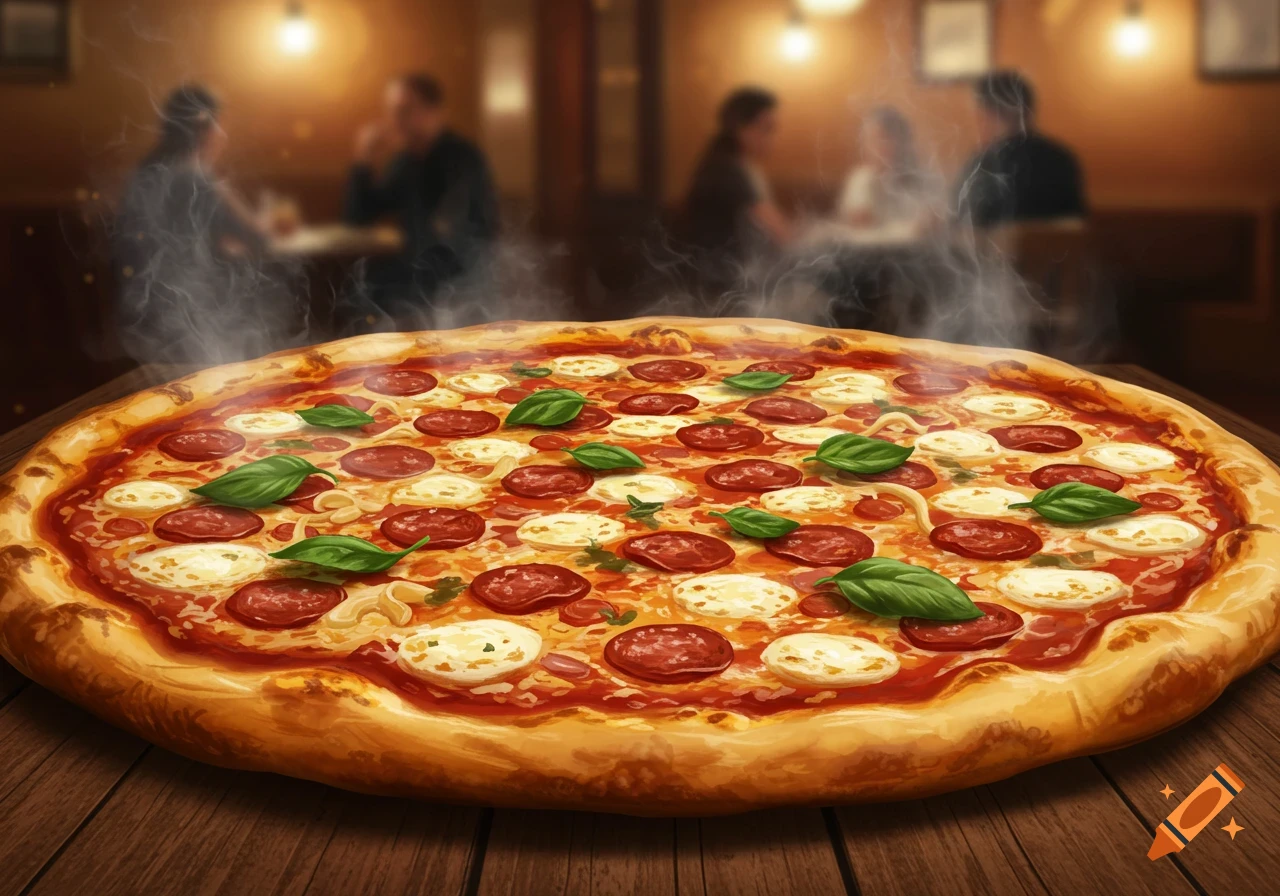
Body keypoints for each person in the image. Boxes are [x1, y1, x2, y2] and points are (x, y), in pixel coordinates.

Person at [115, 84, 293, 364]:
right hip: (184, 320)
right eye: (218, 126)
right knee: (274, 301)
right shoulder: (195, 178)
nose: (223, 136)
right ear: (202, 130)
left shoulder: (144, 174)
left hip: (136, 311)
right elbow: (259, 239)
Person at [344, 74, 499, 308]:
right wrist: (363, 159)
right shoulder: (407, 161)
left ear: (433, 111)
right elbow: (359, 216)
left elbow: (450, 235)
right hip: (420, 278)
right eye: (392, 111)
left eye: (404, 110)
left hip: (460, 283)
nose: (394, 120)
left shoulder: (461, 158)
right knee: (356, 291)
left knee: (371, 293)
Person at [679, 87, 791, 290]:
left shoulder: (733, 163)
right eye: (766, 129)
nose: (771, 139)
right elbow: (780, 232)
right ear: (740, 128)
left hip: (733, 274)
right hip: (721, 283)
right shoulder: (728, 170)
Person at [953, 71, 1087, 230]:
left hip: (998, 254)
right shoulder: (1062, 158)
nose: (977, 125)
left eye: (979, 115)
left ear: (990, 114)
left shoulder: (983, 163)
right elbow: (1076, 224)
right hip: (1058, 253)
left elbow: (959, 224)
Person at [837, 106, 936, 232]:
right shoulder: (862, 180)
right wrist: (913, 229)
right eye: (873, 140)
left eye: (888, 138)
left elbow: (935, 217)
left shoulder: (919, 179)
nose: (882, 146)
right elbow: (864, 231)